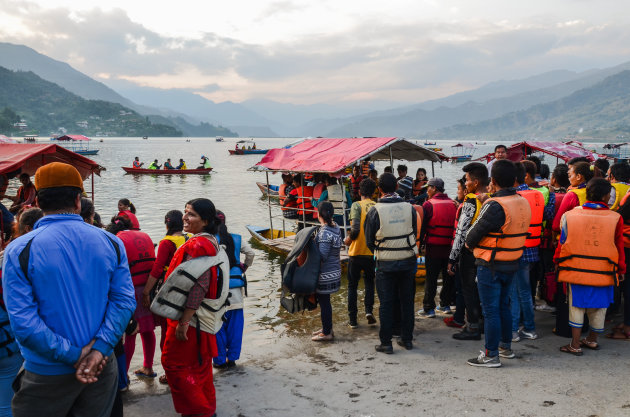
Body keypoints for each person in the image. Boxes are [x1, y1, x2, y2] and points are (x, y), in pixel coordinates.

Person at [2, 162, 135, 416]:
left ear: (38, 202)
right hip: (100, 369)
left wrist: (74, 355)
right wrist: (98, 351)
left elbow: (23, 322)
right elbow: (124, 302)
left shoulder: (19, 250)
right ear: (77, 200)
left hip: (45, 373)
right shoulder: (112, 242)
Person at [465, 159, 531, 367]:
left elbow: (470, 237)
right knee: (504, 305)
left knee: (491, 310)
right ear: (514, 180)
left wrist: (487, 202)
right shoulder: (522, 201)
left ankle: (491, 354)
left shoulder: (494, 205)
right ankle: (505, 347)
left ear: (492, 180)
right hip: (512, 261)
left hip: (490, 264)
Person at [161, 198, 222, 417]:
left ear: (205, 221)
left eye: (192, 214)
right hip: (202, 321)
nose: (185, 217)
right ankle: (206, 410)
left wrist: (184, 322)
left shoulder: (199, 246)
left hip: (191, 322)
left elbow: (200, 284)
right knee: (200, 368)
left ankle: (199, 411)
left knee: (175, 365)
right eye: (186, 212)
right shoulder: (210, 242)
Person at [556, 178, 625, 355]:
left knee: (576, 306)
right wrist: (621, 269)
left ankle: (575, 344)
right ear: (605, 196)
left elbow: (562, 243)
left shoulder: (570, 215)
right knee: (600, 306)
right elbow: (619, 247)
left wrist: (557, 263)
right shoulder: (616, 218)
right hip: (604, 270)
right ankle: (593, 340)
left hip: (575, 268)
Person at [365, 173, 418, 353]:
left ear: (379, 189)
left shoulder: (375, 210)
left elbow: (369, 241)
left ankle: (386, 343)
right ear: (396, 187)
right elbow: (414, 234)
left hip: (385, 262)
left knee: (386, 303)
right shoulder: (409, 208)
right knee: (407, 301)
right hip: (408, 260)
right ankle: (407, 339)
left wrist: (383, 250)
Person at [0, 209, 42, 416]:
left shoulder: (9, 255)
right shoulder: (21, 258)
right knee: (10, 398)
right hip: (10, 343)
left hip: (10, 339)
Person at [106, 216, 157, 380]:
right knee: (148, 330)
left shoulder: (117, 239)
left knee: (130, 333)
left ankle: (124, 374)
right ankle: (148, 367)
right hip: (149, 289)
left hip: (131, 290)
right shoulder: (145, 236)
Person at [141, 210, 186, 385]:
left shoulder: (167, 243)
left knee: (167, 332)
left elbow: (157, 269)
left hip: (169, 291)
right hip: (186, 289)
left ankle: (169, 372)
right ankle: (182, 366)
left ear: (167, 224)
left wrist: (145, 292)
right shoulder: (188, 238)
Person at [449, 162, 488, 340]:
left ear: (476, 182)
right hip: (487, 252)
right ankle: (481, 323)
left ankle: (472, 327)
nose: (465, 184)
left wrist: (452, 258)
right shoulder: (492, 198)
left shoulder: (471, 201)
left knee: (469, 290)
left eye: (467, 180)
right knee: (481, 290)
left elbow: (461, 232)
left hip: (469, 252)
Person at [213, 211, 255, 368]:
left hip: (217, 289)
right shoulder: (236, 238)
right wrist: (244, 267)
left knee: (217, 325)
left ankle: (219, 360)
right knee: (235, 325)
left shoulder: (210, 240)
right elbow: (251, 253)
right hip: (236, 288)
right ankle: (232, 359)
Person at [510, 161, 546, 342]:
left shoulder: (515, 196)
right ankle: (530, 328)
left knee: (515, 292)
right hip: (533, 249)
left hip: (517, 249)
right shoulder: (538, 195)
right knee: (524, 290)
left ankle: (514, 329)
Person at [418, 178, 457, 317]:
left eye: (428, 187)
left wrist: (419, 244)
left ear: (434, 188)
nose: (426, 190)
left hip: (433, 247)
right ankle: (445, 304)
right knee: (447, 277)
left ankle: (429, 308)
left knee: (431, 278)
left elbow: (422, 228)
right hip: (450, 248)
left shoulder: (428, 205)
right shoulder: (453, 203)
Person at [343, 178, 377, 328]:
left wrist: (348, 240)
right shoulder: (377, 206)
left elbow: (355, 230)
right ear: (373, 192)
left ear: (359, 192)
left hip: (356, 252)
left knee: (352, 286)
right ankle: (369, 311)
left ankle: (353, 320)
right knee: (369, 283)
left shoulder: (356, 205)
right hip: (372, 253)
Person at [311, 202, 342, 341]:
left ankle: (327, 332)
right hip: (335, 270)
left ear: (319, 215)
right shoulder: (336, 227)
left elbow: (322, 256)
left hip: (326, 274)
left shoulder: (324, 232)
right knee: (325, 302)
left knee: (324, 303)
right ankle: (327, 327)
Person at [552, 162, 594, 233]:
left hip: (574, 235)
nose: (569, 179)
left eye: (570, 176)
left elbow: (556, 225)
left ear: (578, 177)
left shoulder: (572, 195)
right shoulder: (595, 191)